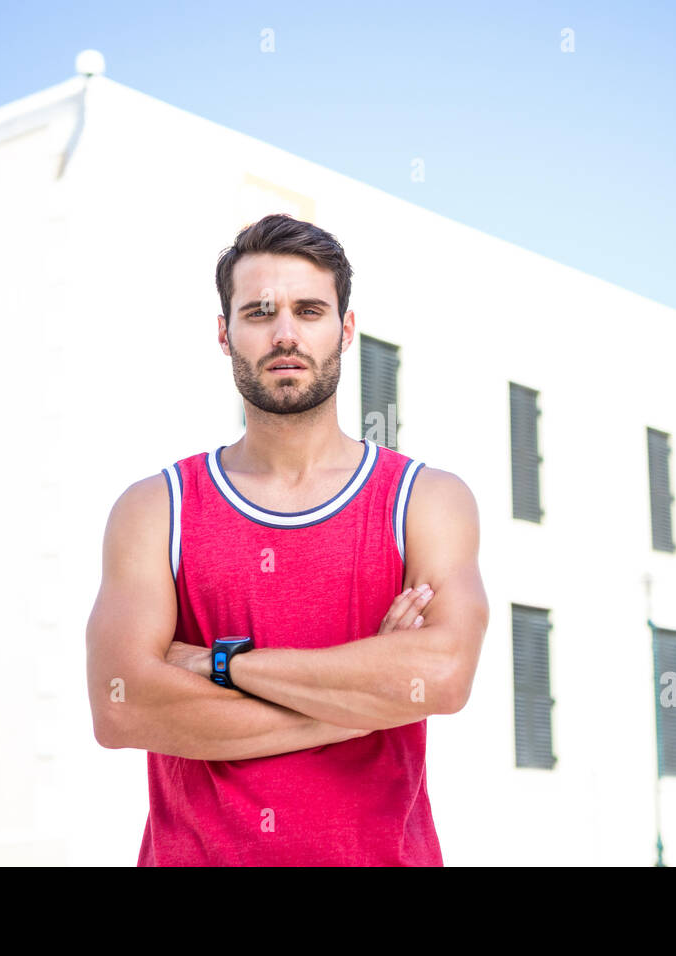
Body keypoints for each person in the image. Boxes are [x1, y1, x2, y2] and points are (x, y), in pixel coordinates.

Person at [84, 213, 489, 865]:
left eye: (308, 310)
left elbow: (440, 675)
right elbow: (121, 706)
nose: (284, 334)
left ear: (345, 329)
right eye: (258, 312)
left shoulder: (426, 501)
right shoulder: (156, 509)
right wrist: (360, 702)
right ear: (224, 333)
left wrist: (223, 665)